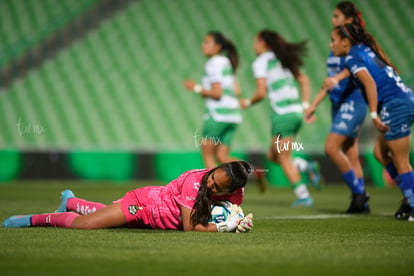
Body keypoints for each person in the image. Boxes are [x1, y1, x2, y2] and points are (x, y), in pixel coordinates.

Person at [2, 161, 254, 232]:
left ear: (229, 190)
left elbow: (234, 211)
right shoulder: (194, 182)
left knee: (105, 215)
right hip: (143, 205)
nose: (209, 183)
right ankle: (31, 219)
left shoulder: (236, 192)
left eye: (215, 186)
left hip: (156, 218)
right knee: (86, 224)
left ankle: (70, 201)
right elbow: (190, 227)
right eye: (211, 176)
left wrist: (240, 220)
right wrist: (223, 227)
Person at [325, 23, 414, 221]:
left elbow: (370, 83)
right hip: (402, 101)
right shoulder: (365, 50)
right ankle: (410, 197)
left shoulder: (352, 56)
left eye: (333, 40)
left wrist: (374, 115)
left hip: (395, 105)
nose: (331, 45)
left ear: (345, 42)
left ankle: (413, 204)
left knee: (401, 161)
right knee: (380, 154)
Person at [305, 1, 369, 213]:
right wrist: (313, 105)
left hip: (353, 102)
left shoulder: (355, 47)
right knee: (350, 152)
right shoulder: (335, 48)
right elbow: (329, 81)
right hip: (337, 103)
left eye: (336, 16)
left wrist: (338, 78)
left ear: (348, 19)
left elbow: (356, 69)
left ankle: (360, 192)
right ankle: (361, 202)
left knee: (331, 148)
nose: (333, 19)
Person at [183, 31, 267, 193]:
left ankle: (212, 190)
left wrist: (196, 88)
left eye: (207, 42)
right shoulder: (227, 63)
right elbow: (237, 90)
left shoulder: (213, 63)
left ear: (218, 47)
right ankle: (254, 171)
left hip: (218, 114)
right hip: (233, 114)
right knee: (222, 156)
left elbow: (217, 93)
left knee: (207, 151)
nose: (203, 45)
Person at [240, 30, 314, 207]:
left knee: (283, 157)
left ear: (263, 43)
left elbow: (260, 93)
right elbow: (304, 79)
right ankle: (304, 166)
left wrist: (247, 102)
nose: (254, 46)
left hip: (282, 114)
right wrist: (305, 106)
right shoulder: (282, 57)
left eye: (255, 42)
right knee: (272, 155)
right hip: (295, 112)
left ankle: (303, 195)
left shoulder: (260, 62)